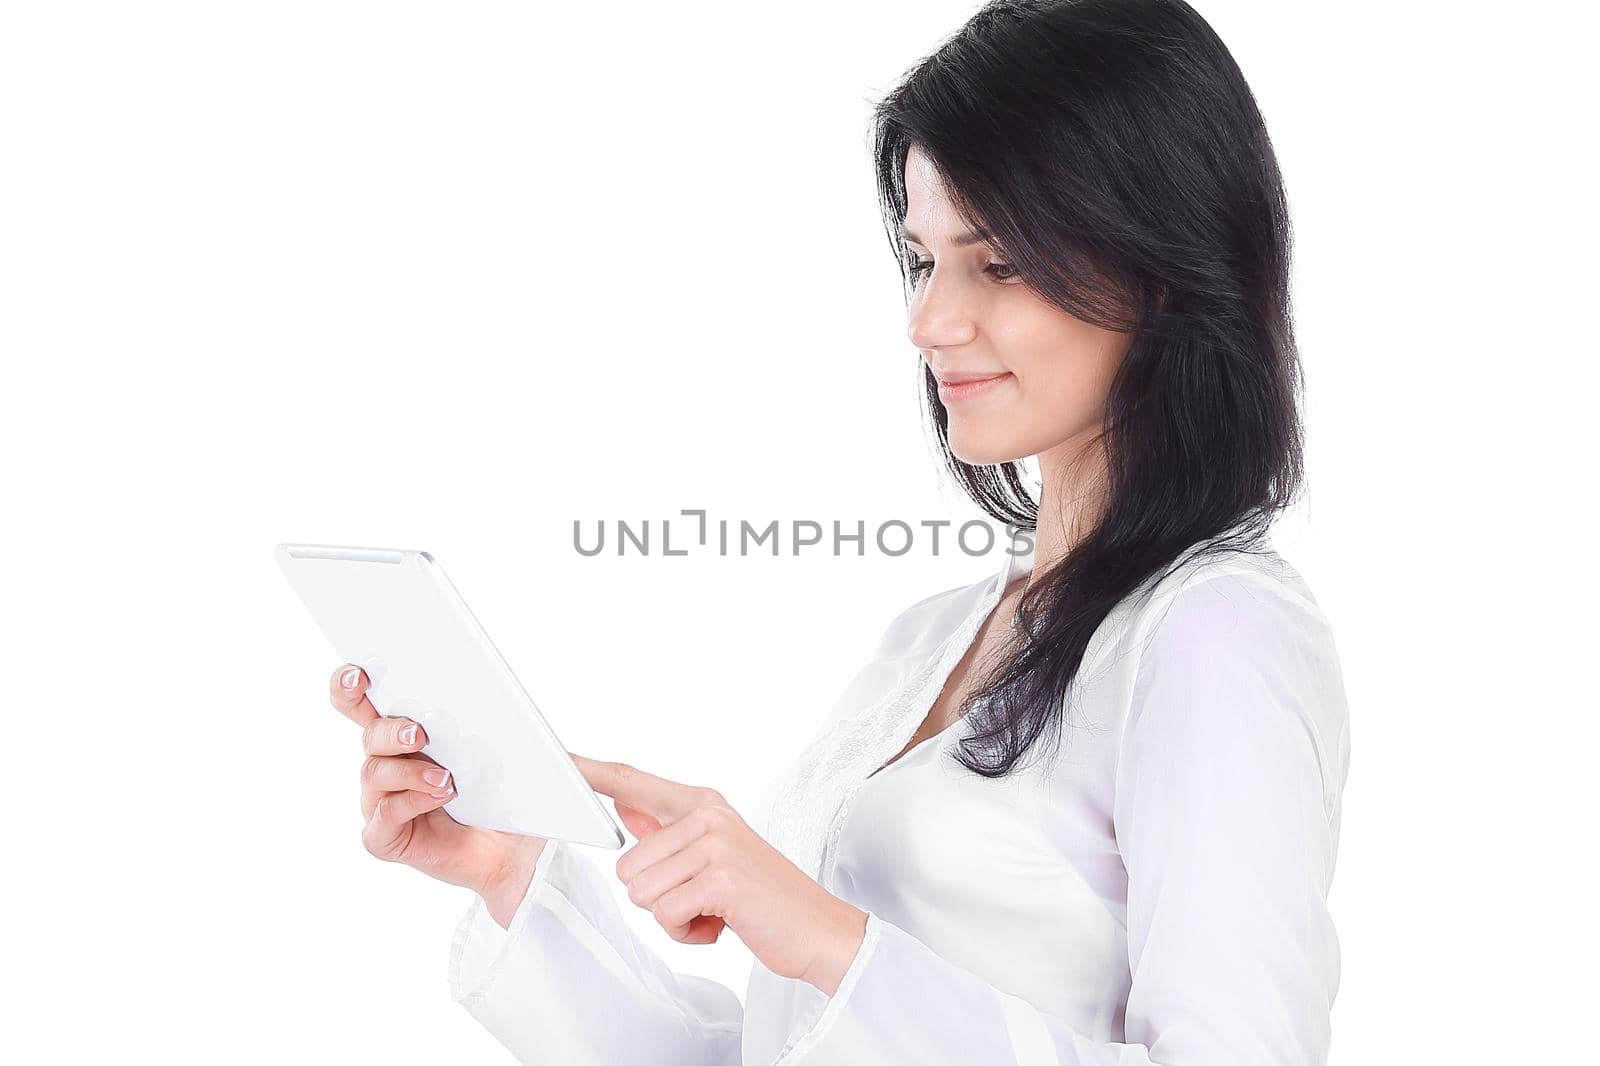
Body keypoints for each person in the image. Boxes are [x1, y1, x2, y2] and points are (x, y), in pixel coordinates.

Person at [323, 1, 1351, 1061]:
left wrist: (821, 936)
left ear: (1162, 269)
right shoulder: (932, 638)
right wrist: (512, 875)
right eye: (923, 259)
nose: (927, 321)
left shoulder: (1215, 631)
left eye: (995, 263)